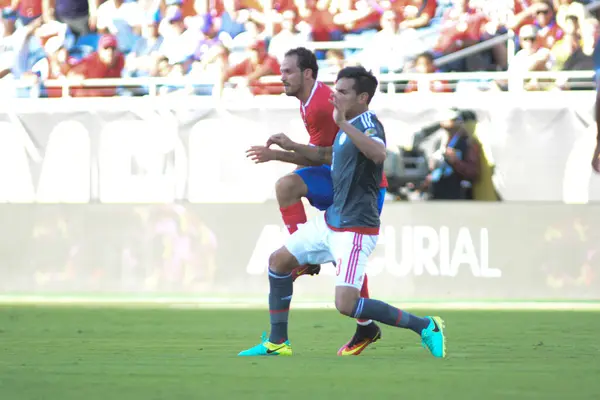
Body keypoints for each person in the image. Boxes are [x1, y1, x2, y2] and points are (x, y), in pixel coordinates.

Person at [239, 66, 446, 358]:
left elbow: (378, 153)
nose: (336, 96)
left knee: (346, 304)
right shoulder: (346, 125)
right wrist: (283, 152)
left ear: (363, 97)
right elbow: (325, 157)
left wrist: (342, 124)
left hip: (355, 230)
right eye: (336, 89)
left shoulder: (367, 124)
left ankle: (426, 325)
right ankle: (277, 342)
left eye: (344, 92)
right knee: (278, 262)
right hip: (331, 222)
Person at [245, 47, 385, 356]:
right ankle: (361, 323)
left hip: (360, 189)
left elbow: (327, 155)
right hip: (338, 177)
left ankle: (372, 325)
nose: (281, 77)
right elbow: (320, 155)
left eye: (288, 71)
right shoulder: (309, 102)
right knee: (288, 185)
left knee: (342, 253)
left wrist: (280, 153)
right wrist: (284, 154)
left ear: (307, 74)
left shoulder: (322, 105)